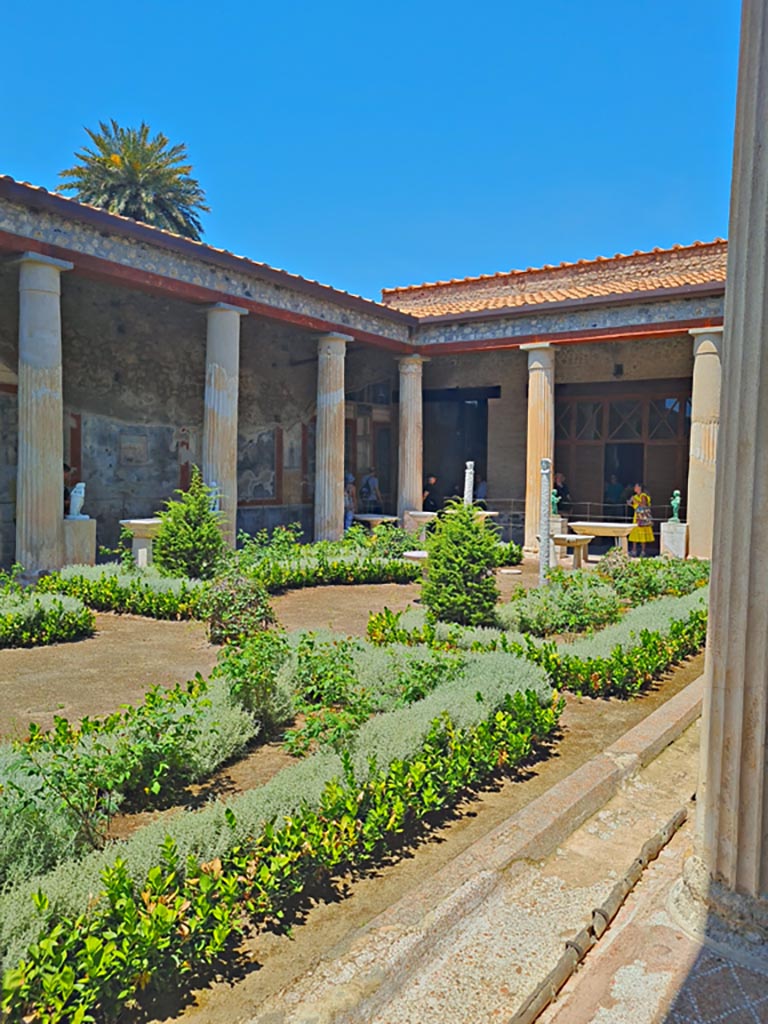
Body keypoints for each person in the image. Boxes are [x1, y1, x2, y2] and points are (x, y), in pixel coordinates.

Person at [627, 482, 654, 556]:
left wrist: (635, 501)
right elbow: (636, 506)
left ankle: (643, 551)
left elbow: (643, 505)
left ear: (639, 487)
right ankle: (634, 550)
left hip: (642, 517)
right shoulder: (635, 496)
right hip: (637, 516)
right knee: (635, 533)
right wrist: (630, 503)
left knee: (642, 534)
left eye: (636, 486)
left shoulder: (643, 495)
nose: (634, 488)